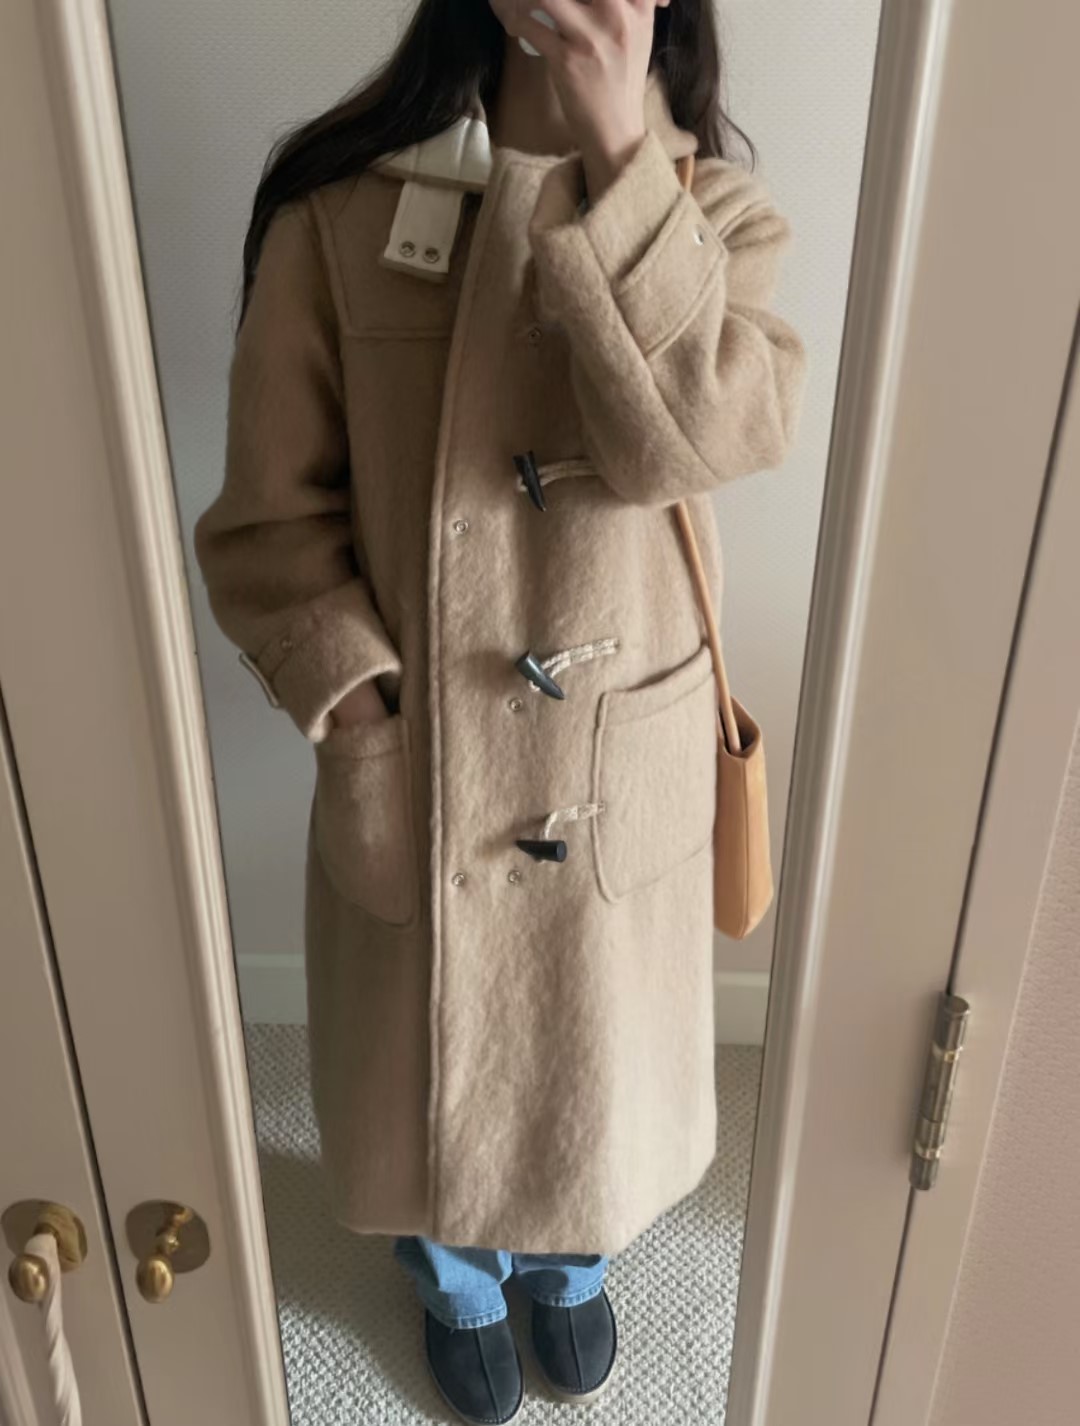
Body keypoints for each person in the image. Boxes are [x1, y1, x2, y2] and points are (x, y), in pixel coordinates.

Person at [194, 1, 805, 1421]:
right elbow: (270, 522)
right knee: (430, 1066)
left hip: (616, 765)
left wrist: (618, 149)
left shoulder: (718, 218)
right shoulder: (342, 216)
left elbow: (698, 443)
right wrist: (359, 710)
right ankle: (455, 1271)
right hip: (423, 757)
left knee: (595, 1058)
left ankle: (571, 1253)